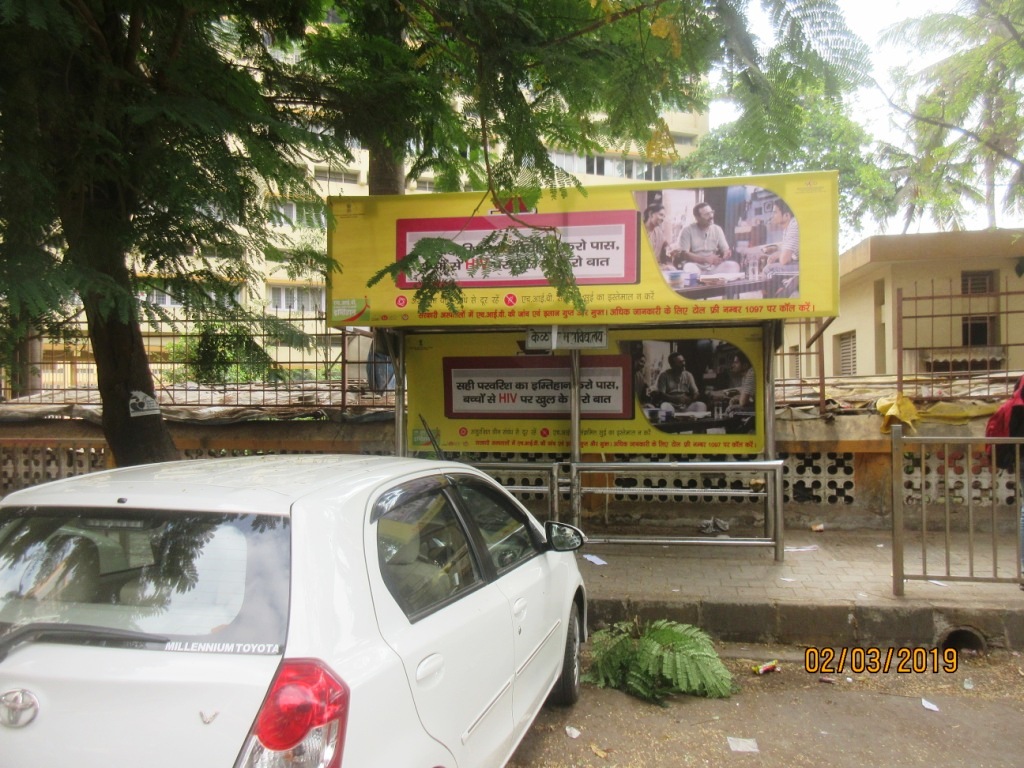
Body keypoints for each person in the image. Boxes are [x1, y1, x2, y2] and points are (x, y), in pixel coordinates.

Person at [669, 202, 740, 275]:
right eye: (707, 214)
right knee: (688, 268)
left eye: (711, 212)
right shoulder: (687, 230)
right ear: (697, 218)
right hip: (695, 266)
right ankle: (705, 279)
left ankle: (711, 278)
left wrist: (726, 253)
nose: (711, 216)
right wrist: (705, 259)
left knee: (733, 266)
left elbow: (725, 249)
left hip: (712, 267)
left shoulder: (717, 229)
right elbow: (684, 254)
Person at [762, 199, 799, 269]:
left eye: (775, 213)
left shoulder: (794, 225)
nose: (772, 216)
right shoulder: (787, 229)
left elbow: (784, 260)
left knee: (769, 269)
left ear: (787, 215)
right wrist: (777, 254)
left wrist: (778, 255)